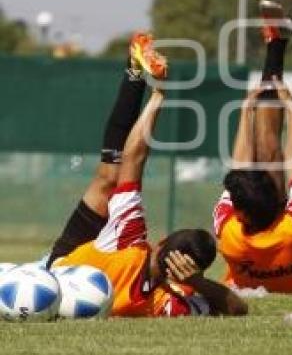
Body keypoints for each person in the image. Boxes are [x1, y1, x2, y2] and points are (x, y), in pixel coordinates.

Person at [49, 34, 247, 317]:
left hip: (59, 271)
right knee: (108, 179)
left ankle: (134, 73)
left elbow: (134, 157)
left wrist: (159, 95)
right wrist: (197, 282)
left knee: (109, 176)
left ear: (162, 241)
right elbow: (239, 309)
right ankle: (134, 70)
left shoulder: (131, 238)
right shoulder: (161, 304)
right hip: (71, 283)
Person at [213, 0, 292, 293]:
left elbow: (240, 169)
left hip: (268, 239)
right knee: (269, 147)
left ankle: (276, 46)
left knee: (263, 140)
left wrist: (248, 111)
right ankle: (276, 46)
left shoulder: (229, 233)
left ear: (240, 213)